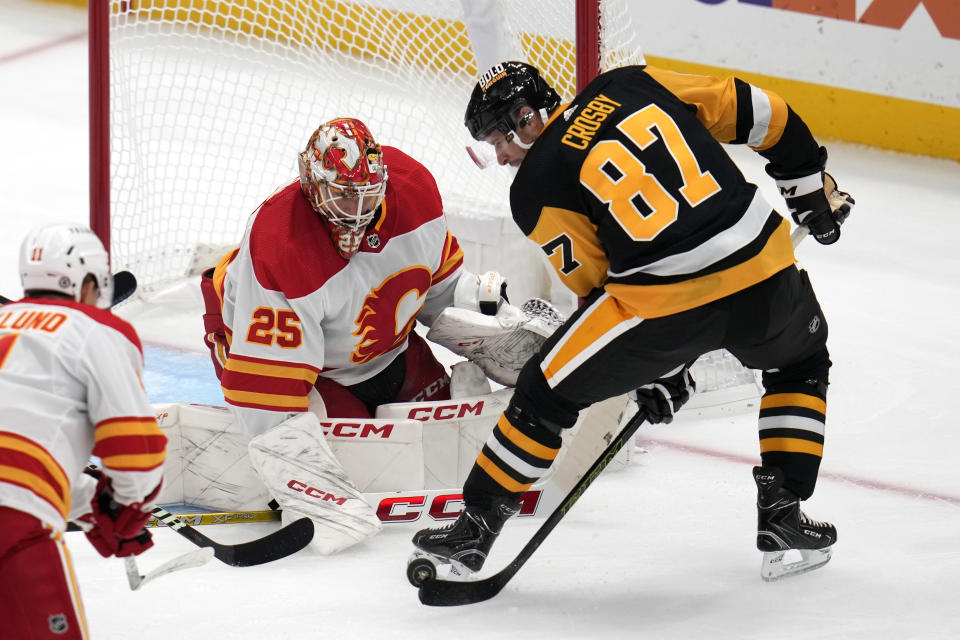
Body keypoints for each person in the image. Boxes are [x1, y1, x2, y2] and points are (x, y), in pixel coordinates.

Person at [411, 61, 854, 581]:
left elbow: (599, 286)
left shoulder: (533, 188)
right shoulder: (630, 82)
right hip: (765, 271)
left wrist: (660, 366)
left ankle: (476, 527)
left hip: (662, 307)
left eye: (496, 139)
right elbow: (764, 111)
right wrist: (807, 187)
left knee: (543, 392)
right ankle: (783, 510)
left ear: (526, 118)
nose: (500, 155)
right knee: (800, 364)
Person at [199, 117, 538, 554]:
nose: (356, 211)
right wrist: (311, 485)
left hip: (388, 348)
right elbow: (268, 398)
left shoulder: (413, 189)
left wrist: (492, 319)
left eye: (366, 194)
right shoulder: (278, 244)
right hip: (300, 365)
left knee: (443, 442)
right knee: (352, 456)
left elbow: (438, 292)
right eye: (341, 195)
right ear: (311, 184)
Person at [0, 223, 167, 639]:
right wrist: (124, 512)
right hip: (13, 526)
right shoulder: (101, 331)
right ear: (89, 282)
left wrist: (92, 507)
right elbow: (136, 453)